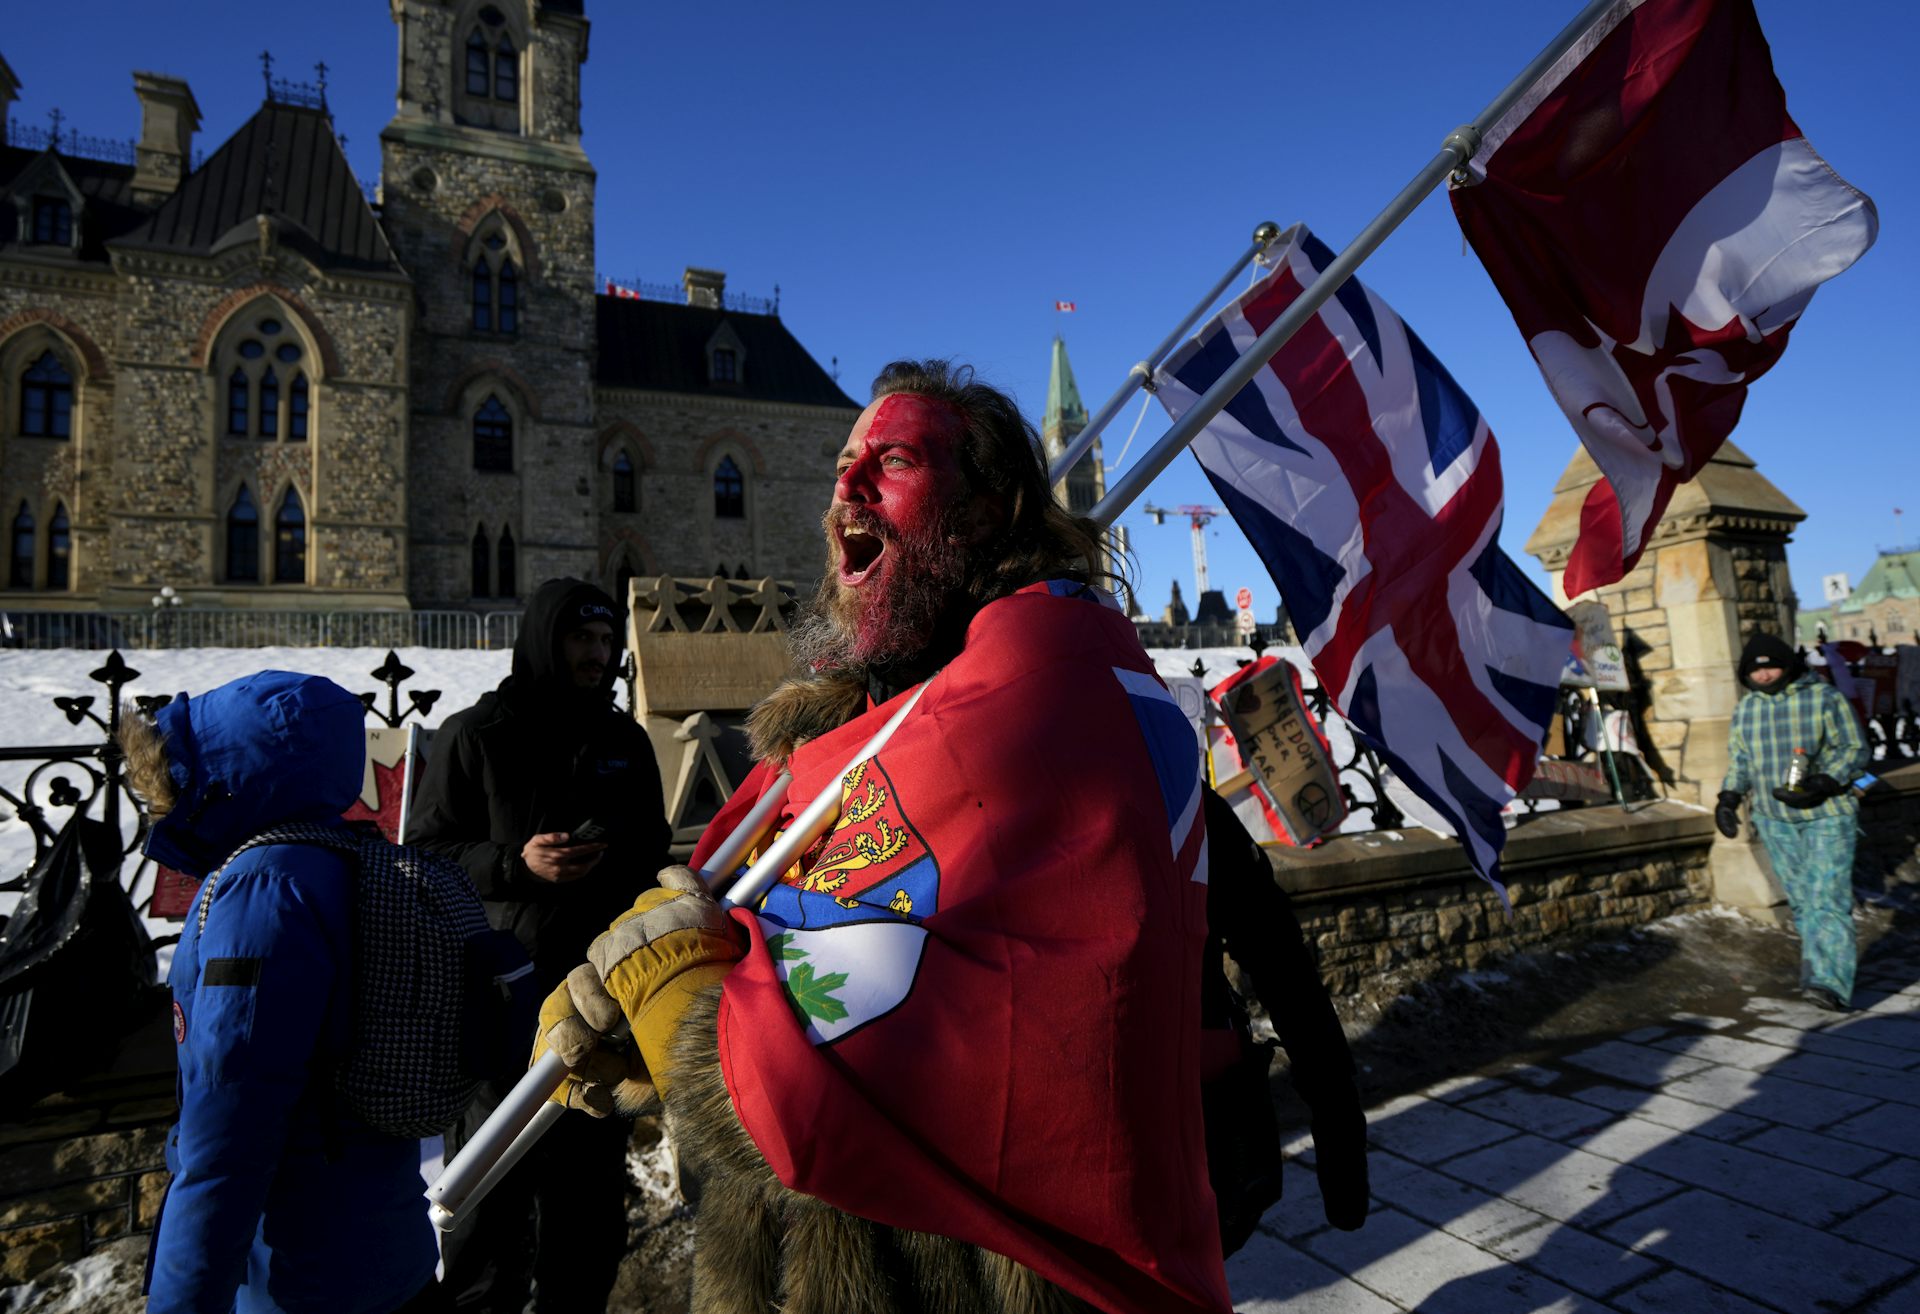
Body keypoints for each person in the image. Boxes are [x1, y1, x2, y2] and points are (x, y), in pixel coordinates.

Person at [534, 360, 1232, 1314]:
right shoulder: (845, 727)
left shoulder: (1045, 706)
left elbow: (938, 1047)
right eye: (841, 464)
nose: (846, 489)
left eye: (892, 459)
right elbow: (779, 926)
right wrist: (660, 977)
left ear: (987, 512)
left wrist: (686, 1024)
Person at [125, 671, 442, 1314]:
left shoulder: (261, 892)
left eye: (181, 765)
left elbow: (228, 1138)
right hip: (385, 1242)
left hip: (295, 1275)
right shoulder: (345, 859)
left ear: (224, 775)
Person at [409, 578, 671, 1312]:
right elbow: (425, 854)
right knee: (486, 1208)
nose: (596, 655)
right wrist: (512, 865)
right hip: (504, 1009)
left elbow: (652, 853)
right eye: (580, 639)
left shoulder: (625, 740)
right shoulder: (479, 734)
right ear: (544, 640)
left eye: (604, 641)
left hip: (599, 1010)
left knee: (587, 1218)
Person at [1201, 788, 1369, 1249]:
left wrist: (1338, 1116)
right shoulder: (1169, 785)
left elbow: (1276, 953)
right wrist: (1338, 1113)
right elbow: (1279, 959)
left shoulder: (1173, 792)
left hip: (1186, 1135)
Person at [1715, 632, 1868, 1011]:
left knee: (1827, 899)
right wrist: (1729, 797)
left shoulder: (1823, 698)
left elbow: (1854, 749)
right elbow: (1741, 760)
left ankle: (1829, 983)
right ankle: (1816, 972)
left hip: (1827, 815)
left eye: (1772, 668)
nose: (1764, 676)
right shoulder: (1746, 709)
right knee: (1802, 901)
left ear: (1789, 666)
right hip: (1774, 819)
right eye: (1756, 671)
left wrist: (1825, 781)